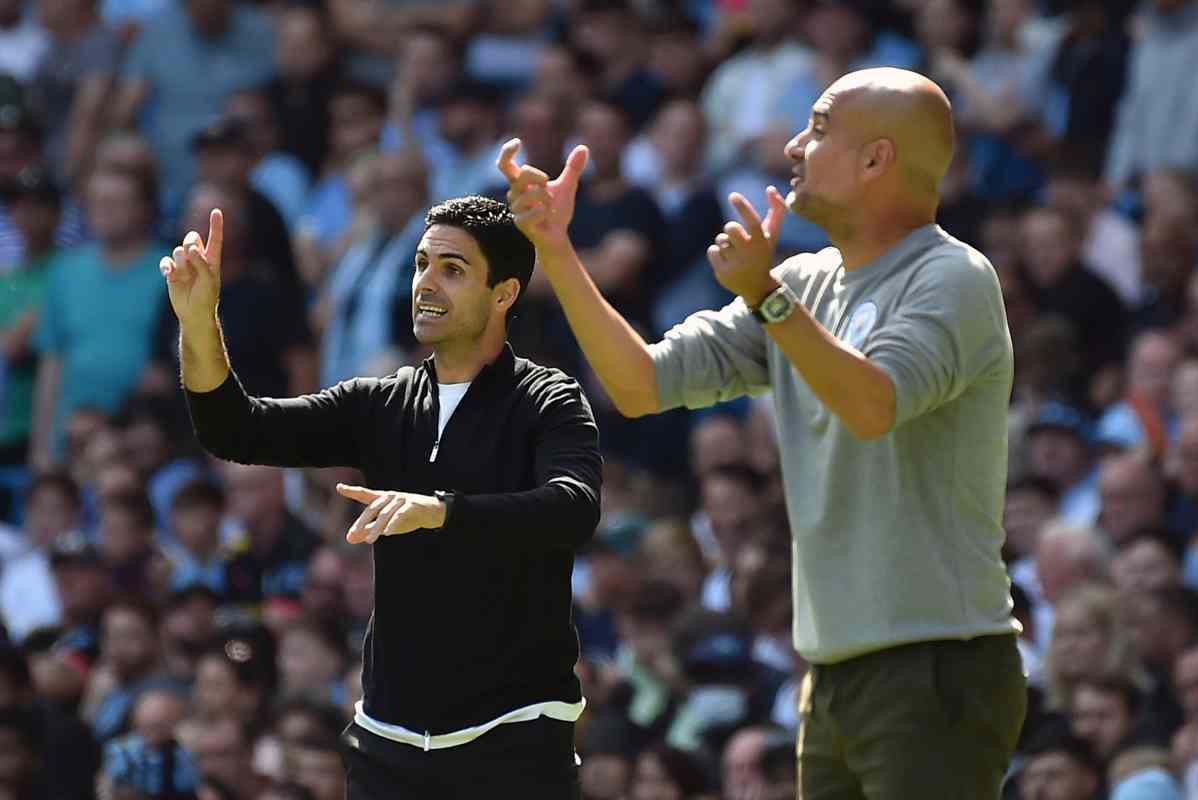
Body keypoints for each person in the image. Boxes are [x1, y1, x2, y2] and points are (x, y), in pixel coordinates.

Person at [500, 66, 1026, 796]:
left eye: (816, 128)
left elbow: (873, 406)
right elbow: (639, 384)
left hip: (936, 661)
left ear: (876, 159)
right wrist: (555, 248)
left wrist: (767, 295)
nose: (790, 146)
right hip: (834, 668)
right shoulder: (804, 282)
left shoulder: (953, 277)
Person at [159, 194, 601, 797]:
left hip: (516, 736)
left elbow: (573, 507)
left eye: (453, 269)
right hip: (387, 741)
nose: (426, 283)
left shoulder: (546, 398)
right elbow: (233, 428)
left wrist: (444, 512)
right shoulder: (380, 402)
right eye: (421, 264)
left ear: (504, 294)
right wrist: (198, 321)